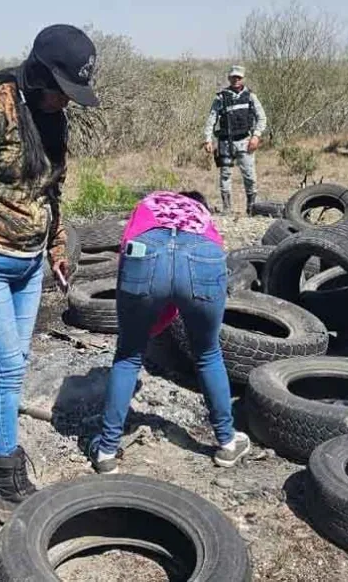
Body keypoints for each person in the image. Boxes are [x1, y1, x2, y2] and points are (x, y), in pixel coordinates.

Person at [0, 24, 99, 522]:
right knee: (6, 368)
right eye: (61, 90)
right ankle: (7, 485)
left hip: (29, 265)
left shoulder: (54, 119)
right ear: (38, 74)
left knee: (15, 362)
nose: (65, 102)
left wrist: (56, 244)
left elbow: (51, 190)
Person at [88, 190, 251, 474]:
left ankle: (106, 451)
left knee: (128, 355)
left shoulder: (151, 201)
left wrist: (145, 326)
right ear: (198, 202)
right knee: (208, 353)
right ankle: (226, 442)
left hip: (145, 251)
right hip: (204, 254)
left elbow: (127, 250)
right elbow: (188, 273)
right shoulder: (202, 214)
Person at [203, 65, 267, 214]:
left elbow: (262, 117)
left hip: (245, 141)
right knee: (225, 175)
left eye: (238, 77)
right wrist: (207, 139)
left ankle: (251, 208)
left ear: (242, 78)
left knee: (250, 176)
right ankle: (227, 208)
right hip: (225, 143)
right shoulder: (220, 97)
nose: (236, 80)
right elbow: (211, 119)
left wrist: (256, 136)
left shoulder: (250, 96)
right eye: (233, 77)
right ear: (229, 78)